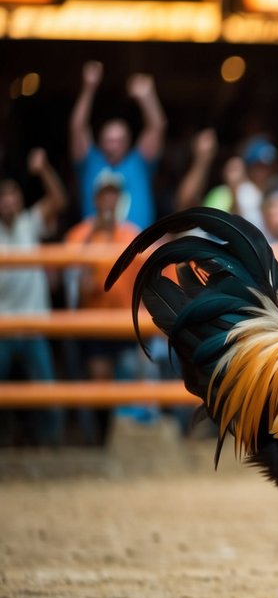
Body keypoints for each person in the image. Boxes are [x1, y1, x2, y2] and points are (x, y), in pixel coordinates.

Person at [64, 171, 148, 444]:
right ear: (95, 198)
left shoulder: (132, 234)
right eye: (104, 194)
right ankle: (98, 442)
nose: (109, 199)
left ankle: (123, 443)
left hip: (126, 324)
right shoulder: (78, 235)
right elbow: (80, 288)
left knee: (127, 385)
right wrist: (93, 235)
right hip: (94, 324)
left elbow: (144, 282)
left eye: (113, 193)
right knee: (99, 385)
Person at [0, 149, 66, 446]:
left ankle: (51, 448)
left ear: (20, 199)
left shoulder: (30, 222)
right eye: (3, 196)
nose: (9, 201)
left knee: (48, 393)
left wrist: (43, 170)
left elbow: (59, 201)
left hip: (34, 325)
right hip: (2, 329)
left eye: (12, 195)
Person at [69, 61, 166, 229]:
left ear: (128, 143)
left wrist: (147, 97)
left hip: (138, 249)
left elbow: (157, 127)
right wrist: (88, 88)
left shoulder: (138, 163)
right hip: (97, 249)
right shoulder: (90, 163)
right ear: (99, 142)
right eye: (109, 140)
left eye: (119, 140)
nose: (114, 146)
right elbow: (78, 128)